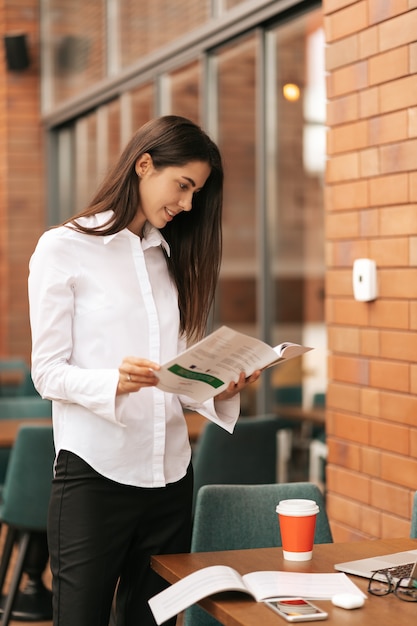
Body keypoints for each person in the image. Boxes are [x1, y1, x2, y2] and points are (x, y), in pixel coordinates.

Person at [28, 115, 261, 626]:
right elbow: (46, 373)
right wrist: (115, 378)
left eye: (196, 192)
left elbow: (175, 376)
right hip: (94, 475)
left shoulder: (165, 259)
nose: (187, 204)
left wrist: (221, 384)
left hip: (170, 476)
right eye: (183, 185)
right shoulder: (62, 248)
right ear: (144, 163)